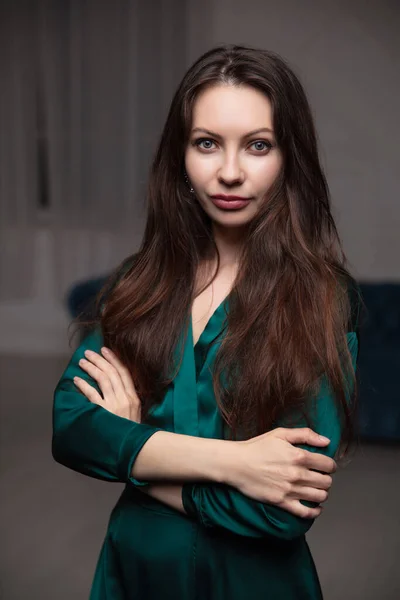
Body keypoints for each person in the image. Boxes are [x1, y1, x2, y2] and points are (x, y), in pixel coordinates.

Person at [52, 44, 361, 600]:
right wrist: (238, 463)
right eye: (207, 144)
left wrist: (133, 447)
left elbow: (283, 512)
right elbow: (73, 429)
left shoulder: (323, 297)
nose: (230, 172)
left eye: (258, 146)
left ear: (289, 158)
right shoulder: (139, 281)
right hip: (133, 574)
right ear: (181, 157)